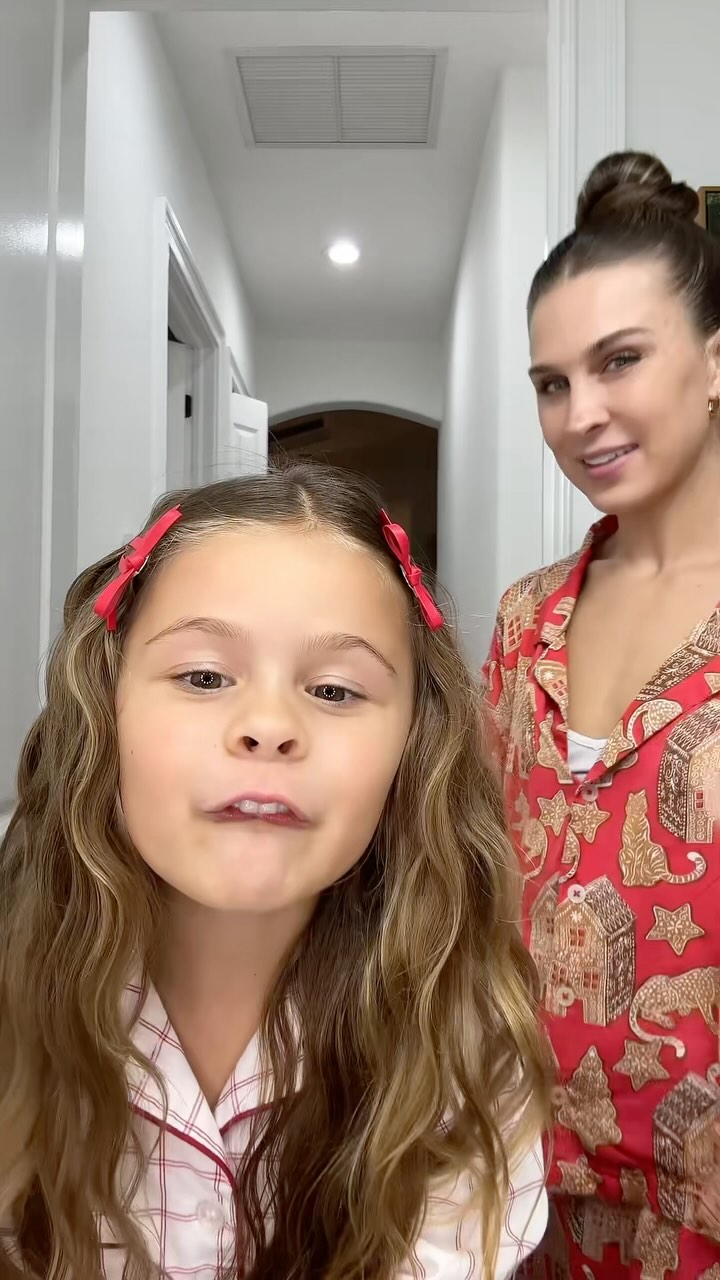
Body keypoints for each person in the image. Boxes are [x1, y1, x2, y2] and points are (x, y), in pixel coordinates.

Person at [0, 463, 548, 1280]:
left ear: (414, 749)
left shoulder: (465, 1044)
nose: (267, 725)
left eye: (334, 690)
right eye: (203, 677)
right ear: (103, 708)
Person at [484, 149, 720, 1279]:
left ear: (715, 359)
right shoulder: (524, 619)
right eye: (551, 383)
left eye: (620, 360)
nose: (582, 415)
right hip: (529, 1196)